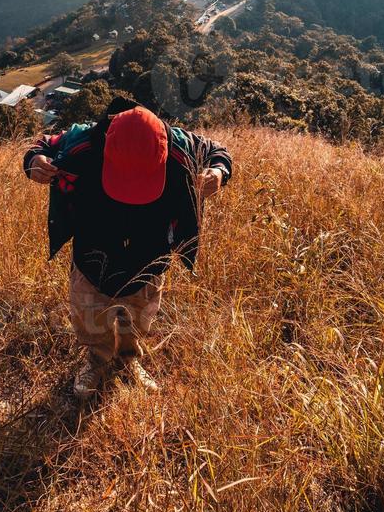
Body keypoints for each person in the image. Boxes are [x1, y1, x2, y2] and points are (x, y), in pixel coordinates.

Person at [23, 97, 232, 400]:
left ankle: (130, 358)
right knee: (90, 315)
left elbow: (218, 152)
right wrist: (33, 162)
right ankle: (96, 359)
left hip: (150, 257)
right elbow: (43, 144)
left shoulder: (177, 143)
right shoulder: (84, 139)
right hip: (92, 255)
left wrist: (218, 172)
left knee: (139, 315)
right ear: (107, 145)